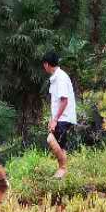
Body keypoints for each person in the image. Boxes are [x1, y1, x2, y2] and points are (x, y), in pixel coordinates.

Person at [41, 52, 77, 180]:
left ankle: (62, 167)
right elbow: (57, 102)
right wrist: (52, 119)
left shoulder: (60, 77)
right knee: (61, 146)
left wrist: (55, 119)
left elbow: (64, 100)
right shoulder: (57, 77)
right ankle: (62, 174)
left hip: (64, 117)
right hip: (62, 116)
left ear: (46, 64)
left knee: (51, 139)